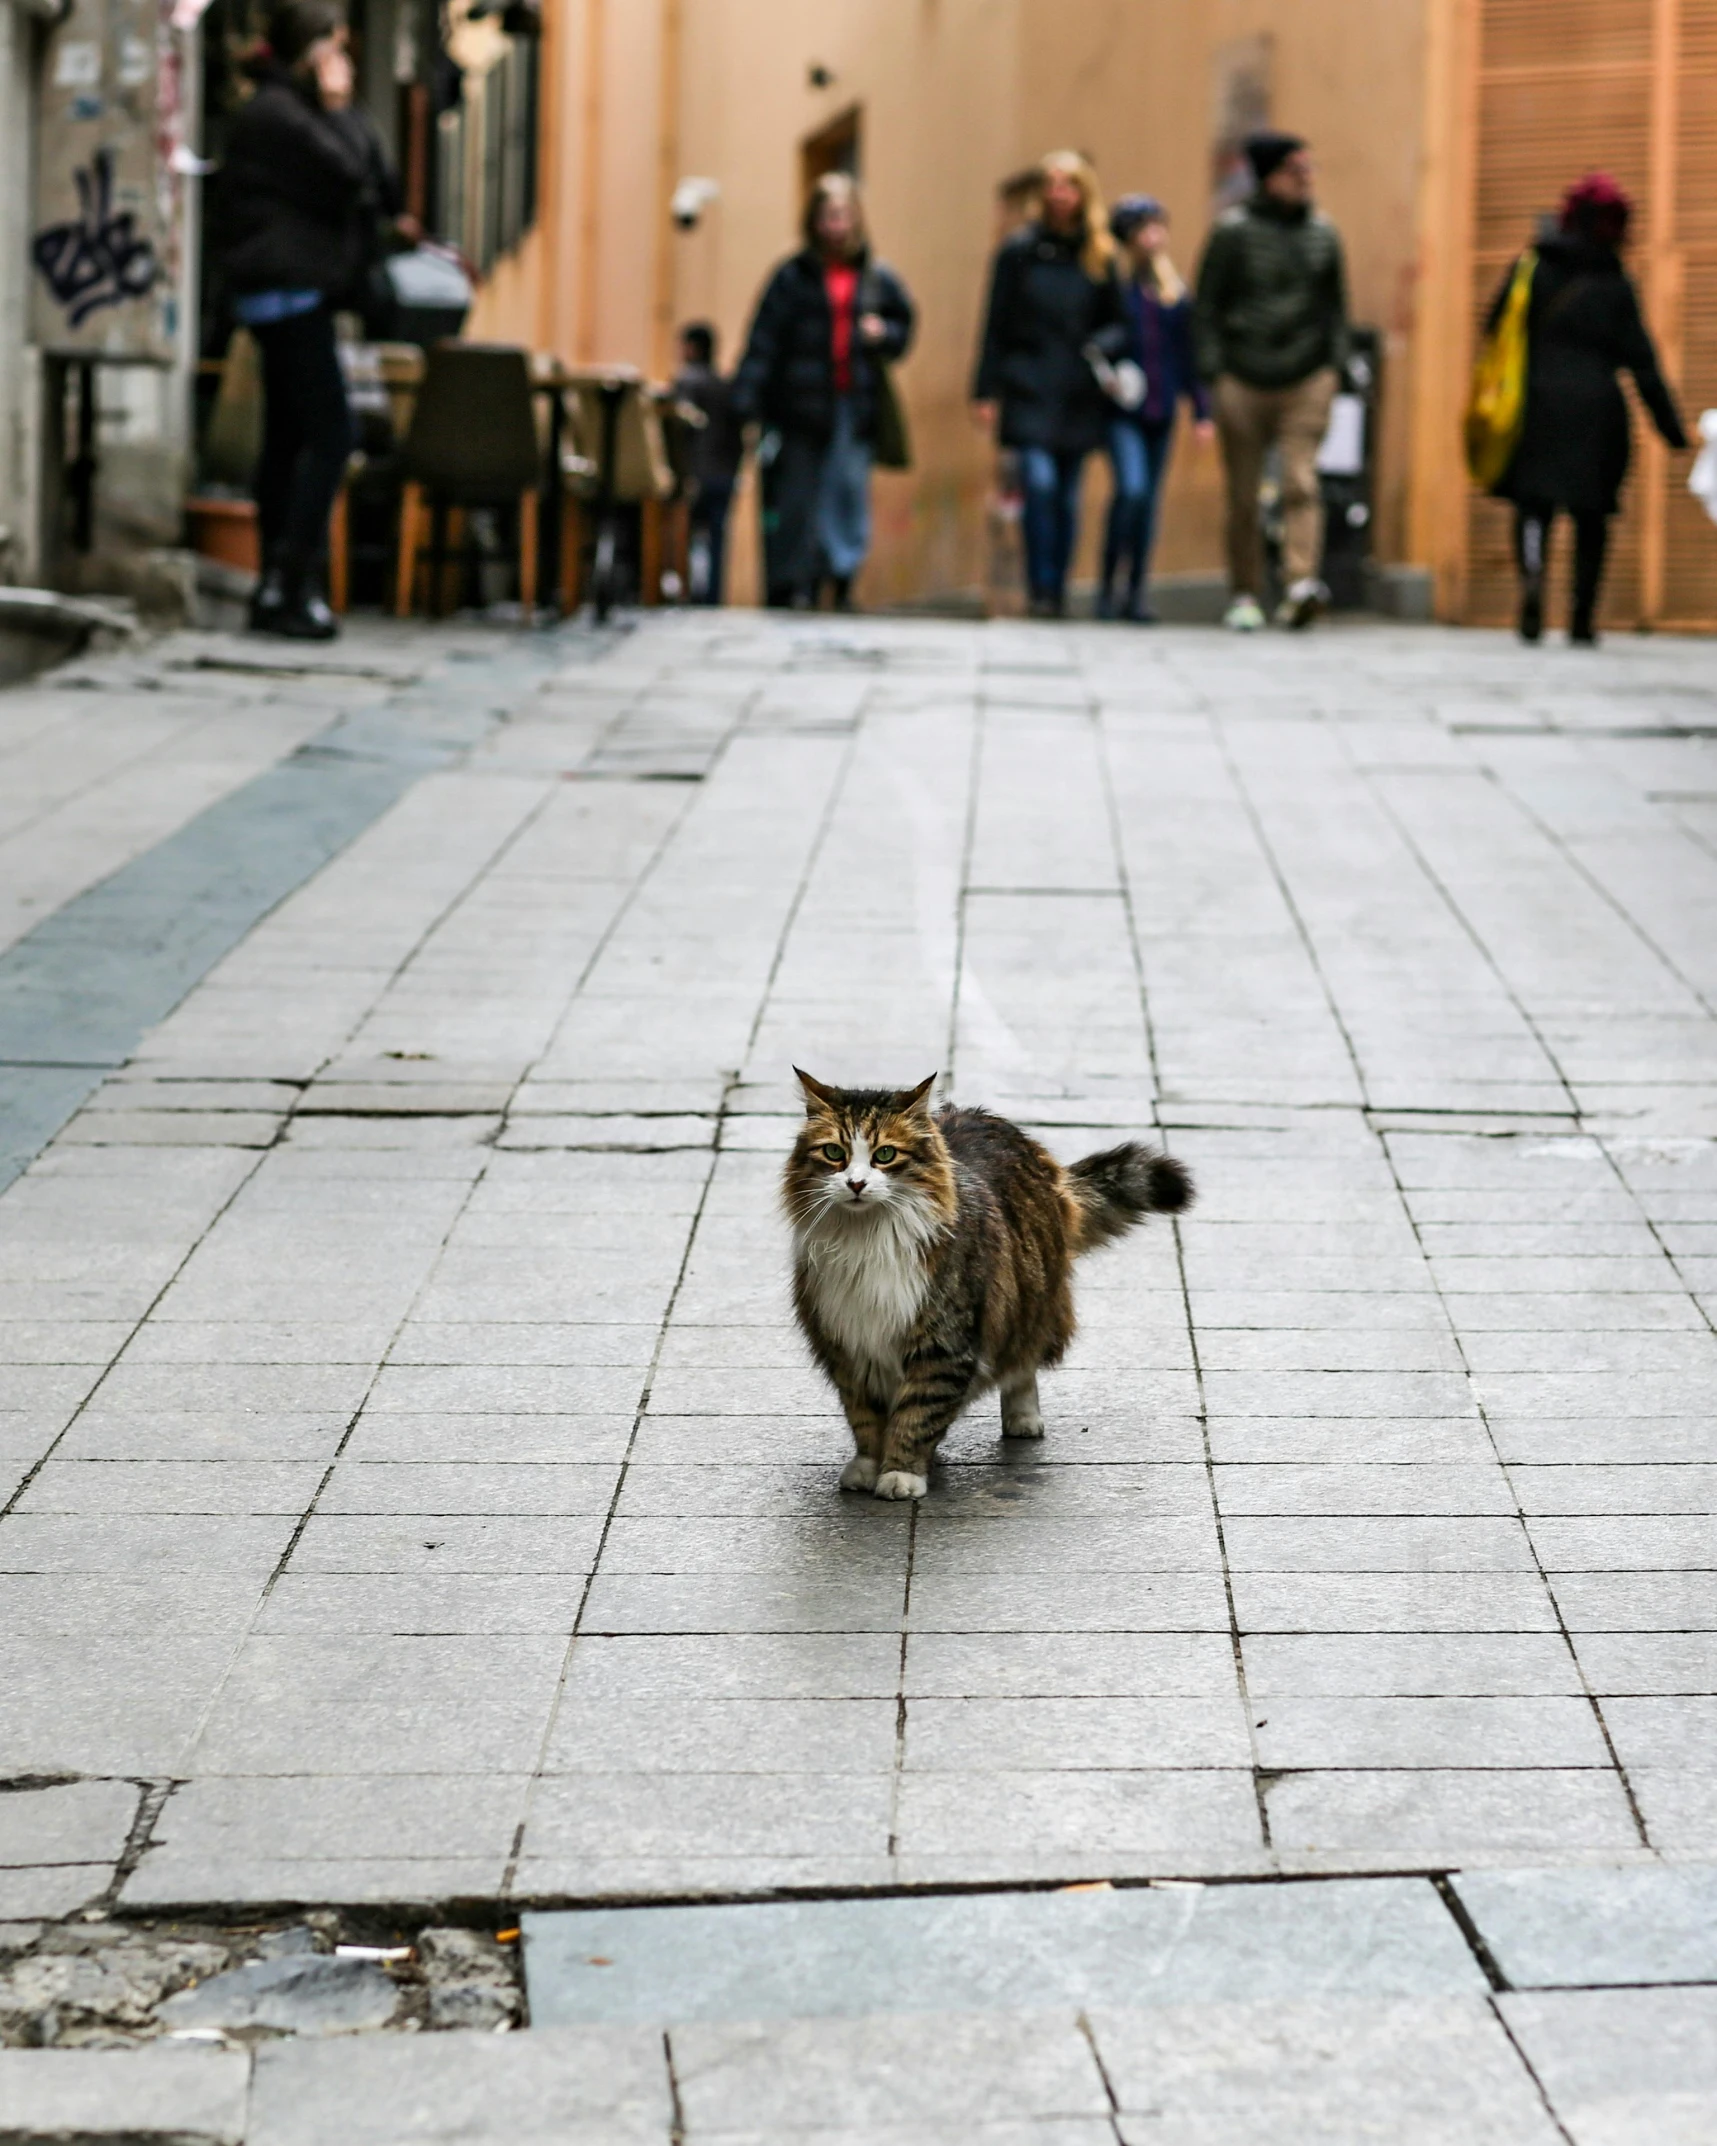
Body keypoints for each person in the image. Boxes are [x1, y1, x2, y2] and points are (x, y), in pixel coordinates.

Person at [214, 0, 410, 639]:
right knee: (333, 435)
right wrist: (340, 107)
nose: (344, 62)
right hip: (289, 292)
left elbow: (384, 187)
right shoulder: (279, 116)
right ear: (310, 52)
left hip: (288, 292)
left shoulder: (280, 111)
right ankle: (291, 580)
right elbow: (358, 175)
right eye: (335, 47)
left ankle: (276, 586)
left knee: (288, 438)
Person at [1487, 174, 1686, 645]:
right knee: (1591, 517)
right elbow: (1642, 358)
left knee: (1533, 507)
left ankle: (1532, 580)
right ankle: (1581, 616)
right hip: (1597, 408)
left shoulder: (1532, 266)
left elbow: (1496, 325)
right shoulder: (1613, 281)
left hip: (1535, 402)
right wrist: (1670, 427)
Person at [732, 174, 915, 610]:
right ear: (813, 222)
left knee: (848, 491)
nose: (836, 226)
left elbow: (904, 327)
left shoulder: (876, 278)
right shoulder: (792, 278)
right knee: (797, 498)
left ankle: (843, 576)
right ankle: (799, 580)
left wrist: (883, 333)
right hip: (798, 406)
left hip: (854, 403)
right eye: (828, 216)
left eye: (843, 215)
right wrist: (748, 400)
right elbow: (764, 341)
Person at [1193, 130, 1349, 632]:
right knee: (1243, 495)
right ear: (1267, 177)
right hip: (1242, 377)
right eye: (1293, 169)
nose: (1305, 178)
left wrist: (1333, 368)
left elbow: (1336, 309)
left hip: (1306, 376)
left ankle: (1300, 582)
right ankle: (1244, 591)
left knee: (1300, 481)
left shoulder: (1325, 234)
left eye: (1309, 168)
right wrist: (1214, 371)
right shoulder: (1232, 232)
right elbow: (1207, 306)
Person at [972, 151, 1127, 618]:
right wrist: (984, 389)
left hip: (1078, 388)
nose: (1059, 194)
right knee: (1037, 484)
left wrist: (1099, 349)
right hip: (1028, 385)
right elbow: (994, 323)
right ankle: (1040, 585)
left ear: (1084, 193)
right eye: (1052, 184)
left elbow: (1120, 323)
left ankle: (1057, 585)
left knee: (1067, 493)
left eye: (1069, 184)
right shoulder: (1018, 252)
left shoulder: (1099, 254)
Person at [1100, 195, 1214, 622]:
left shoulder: (1173, 292)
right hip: (1121, 409)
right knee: (1130, 491)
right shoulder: (1114, 285)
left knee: (1148, 503)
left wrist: (1203, 412)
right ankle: (1108, 586)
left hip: (1161, 408)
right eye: (1145, 229)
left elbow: (1190, 355)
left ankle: (1135, 593)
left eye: (1158, 228)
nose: (1155, 237)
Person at [672, 323, 744, 604]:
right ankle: (713, 598)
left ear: (691, 348)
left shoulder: (687, 381)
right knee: (717, 541)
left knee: (686, 535)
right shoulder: (724, 385)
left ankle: (689, 595)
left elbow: (682, 429)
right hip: (724, 474)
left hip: (696, 472)